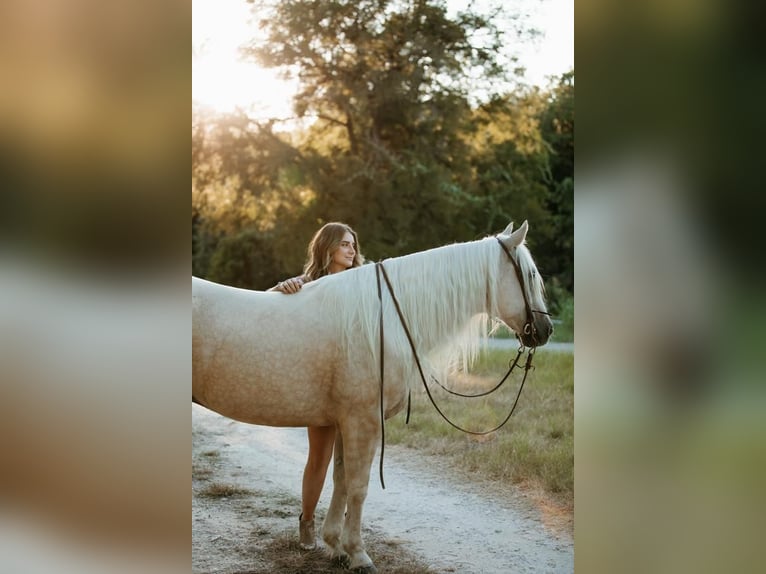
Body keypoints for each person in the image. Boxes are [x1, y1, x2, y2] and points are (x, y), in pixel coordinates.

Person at [268, 222, 364, 550]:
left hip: (357, 387)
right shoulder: (308, 285)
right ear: (328, 249)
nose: (352, 250)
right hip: (323, 387)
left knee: (355, 463)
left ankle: (344, 524)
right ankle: (306, 520)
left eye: (353, 245)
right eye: (345, 245)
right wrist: (283, 288)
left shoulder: (362, 284)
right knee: (319, 459)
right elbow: (263, 311)